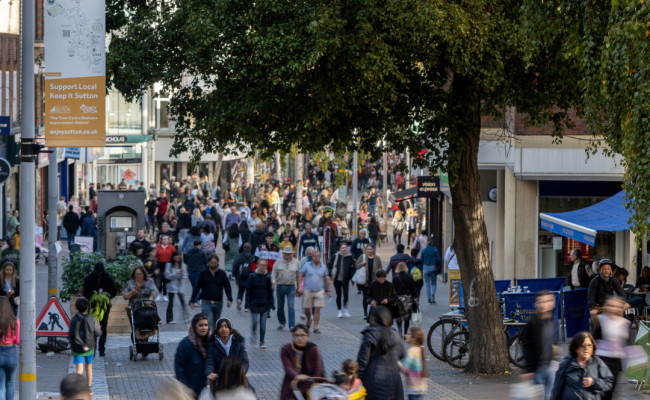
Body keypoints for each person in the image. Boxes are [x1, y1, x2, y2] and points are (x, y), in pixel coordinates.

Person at [356, 306, 406, 400]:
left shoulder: (370, 334)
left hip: (373, 380)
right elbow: (402, 354)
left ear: (373, 318)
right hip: (393, 379)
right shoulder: (394, 334)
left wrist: (358, 377)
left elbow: (362, 362)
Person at [550, 331, 613, 399]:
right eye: (583, 345)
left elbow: (608, 382)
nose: (586, 348)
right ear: (576, 348)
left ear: (593, 347)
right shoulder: (567, 363)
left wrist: (593, 382)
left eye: (589, 345)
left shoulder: (597, 362)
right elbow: (557, 388)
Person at [593, 296, 631, 400]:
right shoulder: (601, 320)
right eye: (611, 305)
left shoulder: (625, 322)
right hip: (601, 359)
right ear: (606, 307)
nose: (614, 308)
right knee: (601, 389)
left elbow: (625, 342)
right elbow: (594, 340)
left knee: (610, 390)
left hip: (615, 361)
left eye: (617, 306)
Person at [522, 290, 558, 400]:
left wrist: (556, 358)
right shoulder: (532, 323)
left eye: (548, 301)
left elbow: (554, 341)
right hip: (538, 369)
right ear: (535, 304)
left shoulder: (553, 320)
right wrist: (530, 370)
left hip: (551, 367)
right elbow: (527, 347)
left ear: (553, 303)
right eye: (541, 302)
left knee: (550, 396)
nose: (544, 304)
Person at [82, 262, 117, 357]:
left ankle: (102, 349)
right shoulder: (89, 278)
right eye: (97, 272)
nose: (99, 273)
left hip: (104, 306)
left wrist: (106, 296)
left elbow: (113, 291)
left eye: (100, 272)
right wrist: (92, 297)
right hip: (93, 307)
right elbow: (85, 292)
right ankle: (92, 349)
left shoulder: (108, 278)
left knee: (103, 327)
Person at [280, 324, 323, 400]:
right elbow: (287, 367)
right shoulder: (286, 349)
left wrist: (302, 389)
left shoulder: (313, 349)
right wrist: (297, 376)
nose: (299, 338)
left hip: (310, 388)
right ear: (293, 336)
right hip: (292, 387)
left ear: (307, 336)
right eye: (297, 335)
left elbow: (317, 371)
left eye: (302, 335)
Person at [190, 254, 233, 329]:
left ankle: (213, 339)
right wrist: (192, 300)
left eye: (215, 263)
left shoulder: (222, 274)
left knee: (216, 323)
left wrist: (229, 298)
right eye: (212, 263)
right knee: (209, 322)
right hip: (206, 302)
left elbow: (227, 286)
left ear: (218, 263)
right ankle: (209, 339)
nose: (213, 264)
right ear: (209, 263)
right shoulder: (203, 273)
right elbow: (197, 287)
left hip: (218, 303)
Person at [69, 298, 102, 392]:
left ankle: (78, 388)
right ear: (87, 307)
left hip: (77, 347)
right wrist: (98, 327)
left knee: (79, 368)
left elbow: (70, 334)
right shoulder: (91, 318)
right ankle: (88, 387)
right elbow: (98, 333)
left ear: (76, 307)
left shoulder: (74, 319)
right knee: (89, 366)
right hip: (89, 347)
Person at [205, 318, 250, 387]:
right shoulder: (212, 345)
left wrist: (241, 372)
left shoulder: (239, 342)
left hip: (237, 378)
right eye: (221, 327)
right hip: (220, 379)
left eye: (226, 326)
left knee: (251, 393)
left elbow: (245, 361)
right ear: (217, 330)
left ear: (230, 330)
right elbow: (209, 362)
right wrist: (209, 373)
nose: (223, 329)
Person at [175, 313, 211, 398]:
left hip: (208, 388)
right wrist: (185, 387)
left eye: (206, 325)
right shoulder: (185, 344)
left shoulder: (212, 342)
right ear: (194, 327)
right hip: (191, 388)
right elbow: (179, 367)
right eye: (200, 325)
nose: (204, 328)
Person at [298, 249, 332, 333]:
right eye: (315, 256)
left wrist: (328, 290)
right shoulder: (306, 265)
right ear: (312, 257)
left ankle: (315, 327)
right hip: (308, 290)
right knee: (307, 310)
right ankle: (309, 320)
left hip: (319, 291)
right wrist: (299, 286)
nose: (316, 258)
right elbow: (301, 275)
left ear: (320, 257)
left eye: (318, 256)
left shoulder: (323, 267)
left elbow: (327, 278)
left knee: (317, 309)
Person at [246, 259, 274, 348]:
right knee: (254, 322)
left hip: (264, 304)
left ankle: (262, 341)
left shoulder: (268, 277)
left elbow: (270, 292)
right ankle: (253, 333)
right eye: (260, 265)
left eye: (264, 265)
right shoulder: (252, 276)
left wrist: (272, 304)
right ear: (257, 265)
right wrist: (247, 304)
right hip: (254, 304)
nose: (262, 267)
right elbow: (248, 291)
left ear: (266, 266)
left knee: (262, 324)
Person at [273, 245, 301, 330]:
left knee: (291, 307)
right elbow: (273, 273)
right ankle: (282, 323)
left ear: (292, 254)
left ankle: (291, 325)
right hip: (280, 286)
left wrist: (298, 287)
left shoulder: (296, 262)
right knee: (280, 307)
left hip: (291, 287)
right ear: (283, 254)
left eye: (289, 254)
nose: (287, 255)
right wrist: (273, 282)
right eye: (286, 253)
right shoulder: (278, 262)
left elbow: (298, 275)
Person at [399, 327, 428, 400]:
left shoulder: (411, 351)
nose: (406, 335)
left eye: (408, 334)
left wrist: (397, 363)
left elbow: (404, 369)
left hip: (413, 387)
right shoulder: (420, 349)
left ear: (414, 338)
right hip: (422, 387)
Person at [355, 245, 383, 319]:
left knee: (374, 298)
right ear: (366, 250)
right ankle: (365, 313)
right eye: (368, 249)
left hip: (375, 282)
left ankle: (373, 313)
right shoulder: (362, 256)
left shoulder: (377, 258)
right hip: (365, 281)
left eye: (371, 249)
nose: (369, 250)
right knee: (365, 297)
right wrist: (362, 263)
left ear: (373, 250)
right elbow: (356, 265)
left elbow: (380, 269)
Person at [327, 243, 354, 318]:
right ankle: (339, 311)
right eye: (342, 248)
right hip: (337, 279)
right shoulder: (336, 256)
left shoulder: (350, 257)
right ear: (340, 249)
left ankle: (345, 309)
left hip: (346, 279)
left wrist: (352, 279)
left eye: (345, 248)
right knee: (339, 295)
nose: (344, 249)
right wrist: (329, 273)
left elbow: (352, 268)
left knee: (346, 295)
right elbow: (330, 264)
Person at [0, 296, 19, 400]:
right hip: (11, 353)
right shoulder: (15, 322)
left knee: (0, 385)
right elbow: (18, 341)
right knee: (10, 383)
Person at [393, 262, 418, 338]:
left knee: (399, 316)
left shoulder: (395, 278)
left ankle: (400, 329)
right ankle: (406, 333)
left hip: (398, 299)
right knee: (407, 318)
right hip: (408, 299)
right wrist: (416, 300)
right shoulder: (410, 277)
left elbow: (393, 290)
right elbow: (414, 289)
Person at [165, 251, 188, 324]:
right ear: (173, 257)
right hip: (171, 286)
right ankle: (169, 319)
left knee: (183, 302)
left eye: (179, 256)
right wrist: (176, 274)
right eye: (176, 256)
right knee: (171, 303)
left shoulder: (183, 265)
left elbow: (185, 275)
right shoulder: (169, 264)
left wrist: (180, 275)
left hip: (180, 286)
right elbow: (167, 276)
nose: (178, 258)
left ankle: (187, 317)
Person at [233, 243, 256, 311]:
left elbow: (235, 266)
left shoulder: (239, 256)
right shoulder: (252, 257)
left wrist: (235, 275)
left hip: (240, 276)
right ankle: (247, 306)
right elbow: (254, 268)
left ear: (243, 248)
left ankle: (239, 299)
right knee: (249, 292)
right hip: (249, 277)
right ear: (250, 249)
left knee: (241, 290)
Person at [420, 237, 442, 304]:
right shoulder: (434, 249)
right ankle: (433, 294)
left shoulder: (423, 250)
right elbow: (439, 260)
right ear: (432, 242)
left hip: (425, 268)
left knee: (427, 284)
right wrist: (437, 265)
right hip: (433, 268)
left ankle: (429, 299)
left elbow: (421, 260)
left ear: (426, 242)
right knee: (433, 283)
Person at [185, 239, 208, 303]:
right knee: (197, 288)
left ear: (193, 245)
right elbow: (205, 262)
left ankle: (196, 299)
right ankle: (195, 301)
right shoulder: (202, 253)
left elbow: (186, 261)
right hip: (199, 272)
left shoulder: (189, 252)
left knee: (194, 287)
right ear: (199, 245)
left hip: (191, 272)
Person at [155, 235, 176, 301]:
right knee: (159, 280)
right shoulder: (157, 247)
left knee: (165, 280)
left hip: (168, 264)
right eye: (164, 239)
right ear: (161, 240)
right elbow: (155, 256)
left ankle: (165, 294)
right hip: (159, 264)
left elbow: (174, 256)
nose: (165, 240)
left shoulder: (171, 247)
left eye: (166, 239)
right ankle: (159, 294)